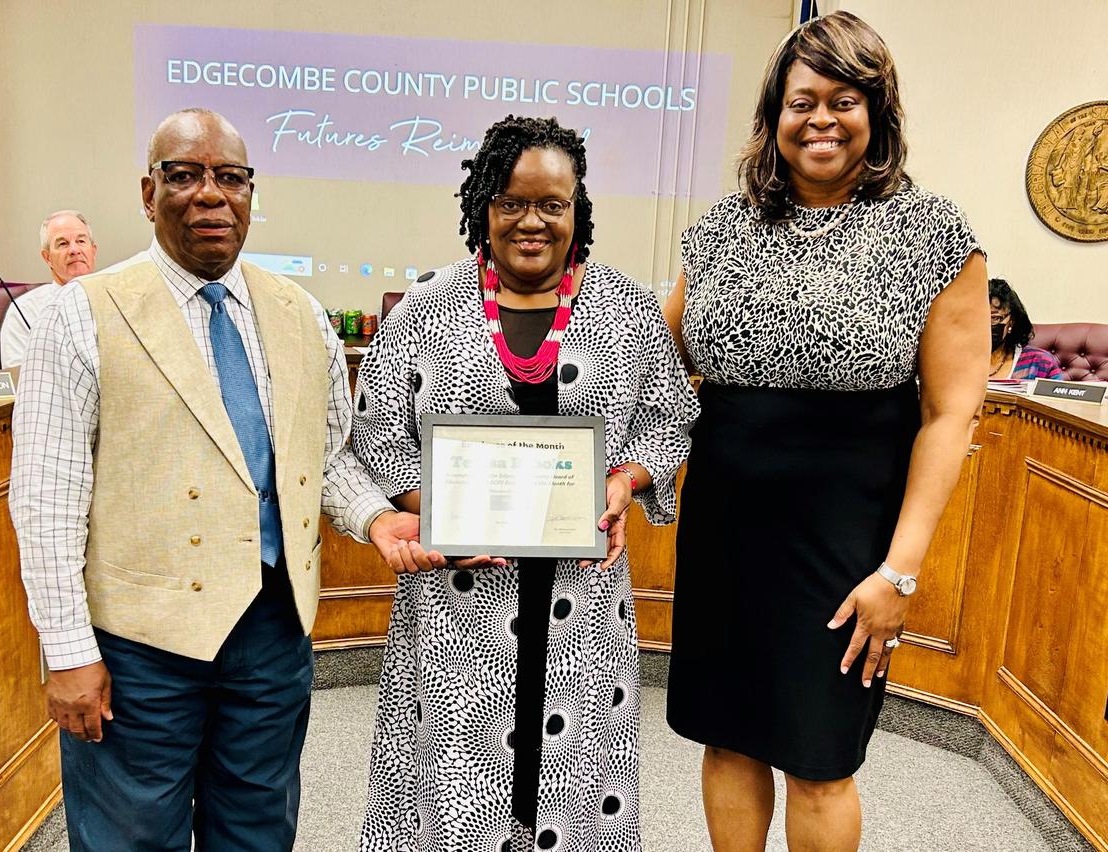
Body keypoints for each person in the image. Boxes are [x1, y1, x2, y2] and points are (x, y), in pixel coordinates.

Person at [9, 108, 434, 852]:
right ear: (149, 193)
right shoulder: (81, 316)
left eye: (230, 178)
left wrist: (375, 516)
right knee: (130, 841)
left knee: (257, 834)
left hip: (272, 636)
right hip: (138, 649)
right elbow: (46, 499)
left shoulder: (301, 314)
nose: (211, 194)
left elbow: (325, 456)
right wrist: (69, 650)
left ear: (249, 194)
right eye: (185, 175)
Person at [662, 13, 988, 852]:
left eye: (845, 101)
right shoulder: (722, 227)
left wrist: (900, 572)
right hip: (727, 528)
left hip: (845, 541)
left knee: (819, 759)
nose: (821, 120)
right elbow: (656, 356)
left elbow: (950, 414)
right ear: (774, 114)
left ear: (878, 113)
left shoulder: (933, 232)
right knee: (728, 735)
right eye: (802, 101)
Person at [352, 115, 698, 852]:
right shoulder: (425, 309)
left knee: (573, 780)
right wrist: (443, 508)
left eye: (552, 204)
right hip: (458, 598)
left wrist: (626, 479)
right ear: (483, 205)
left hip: (582, 597)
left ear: (578, 210)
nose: (531, 221)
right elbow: (378, 431)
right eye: (511, 202)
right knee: (456, 779)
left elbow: (670, 418)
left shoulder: (629, 309)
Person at [0, 209, 98, 368]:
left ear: (93, 251)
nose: (74, 250)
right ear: (47, 258)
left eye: (81, 241)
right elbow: (18, 376)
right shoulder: (24, 311)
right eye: (63, 244)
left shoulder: (115, 301)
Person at [988, 277, 1065, 380]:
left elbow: (1055, 390)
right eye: (978, 317)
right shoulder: (964, 359)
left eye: (994, 318)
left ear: (1011, 321)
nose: (985, 324)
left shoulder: (1041, 363)